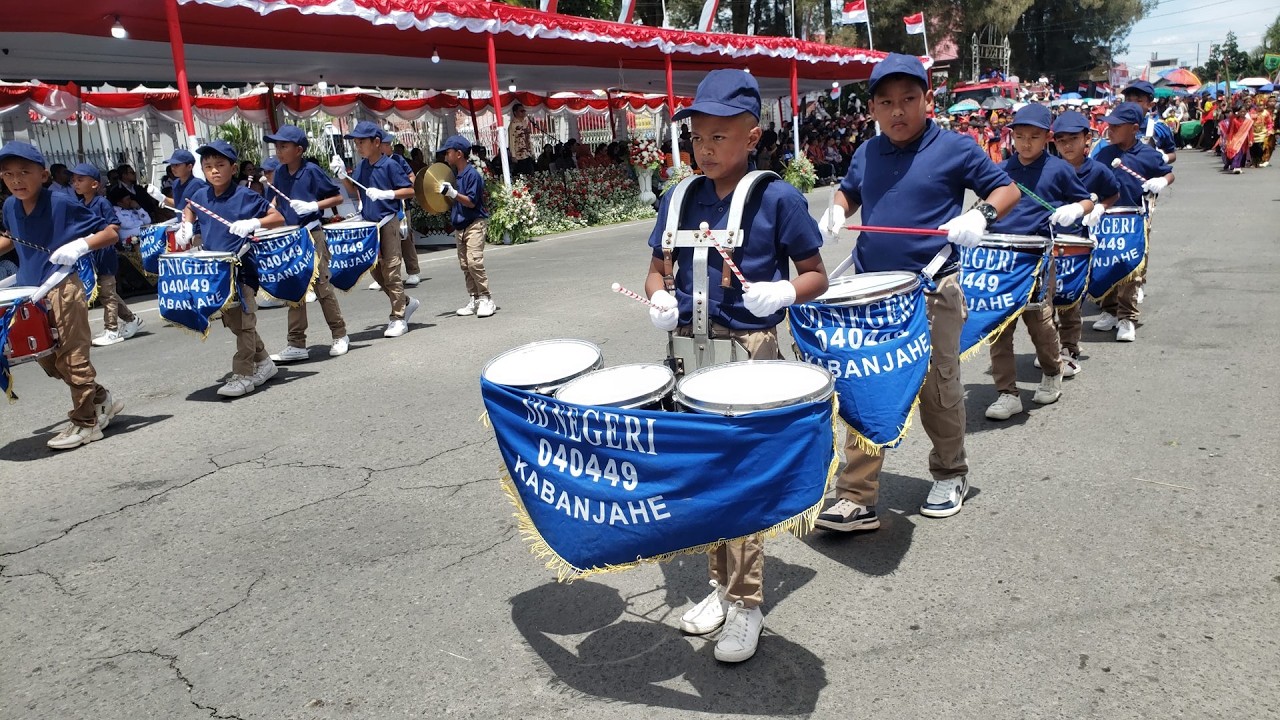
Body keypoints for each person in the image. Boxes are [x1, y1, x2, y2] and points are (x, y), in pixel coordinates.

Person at [642, 69, 829, 664]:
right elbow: (656, 268)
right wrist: (658, 298)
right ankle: (720, 587)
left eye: (719, 136)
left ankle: (746, 603)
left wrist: (785, 292)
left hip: (749, 352)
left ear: (752, 136)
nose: (705, 148)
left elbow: (816, 275)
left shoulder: (779, 198)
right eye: (697, 136)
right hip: (691, 353)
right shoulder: (679, 197)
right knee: (704, 481)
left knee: (741, 483)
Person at [815, 53, 1019, 529]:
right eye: (886, 102)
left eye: (908, 99)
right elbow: (850, 190)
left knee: (937, 386)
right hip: (871, 293)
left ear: (927, 100)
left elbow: (1006, 190)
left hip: (931, 288)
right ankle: (856, 496)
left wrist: (980, 216)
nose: (898, 111)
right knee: (866, 386)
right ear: (873, 108)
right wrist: (837, 208)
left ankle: (951, 473)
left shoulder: (956, 148)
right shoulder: (868, 152)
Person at [0, 141, 125, 449]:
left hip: (62, 288)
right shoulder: (10, 206)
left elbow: (111, 232)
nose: (16, 180)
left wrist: (81, 245)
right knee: (49, 361)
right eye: (8, 174)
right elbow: (12, 238)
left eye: (24, 172)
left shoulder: (61, 202)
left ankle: (86, 423)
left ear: (43, 175)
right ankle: (101, 399)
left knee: (73, 357)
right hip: (29, 293)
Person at [981, 105, 1094, 421]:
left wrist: (1076, 210)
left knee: (1039, 322)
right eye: (1019, 136)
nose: (1026, 143)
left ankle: (1052, 371)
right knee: (999, 326)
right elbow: (987, 203)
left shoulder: (1059, 169)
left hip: (1037, 257)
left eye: (1034, 136)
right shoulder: (1001, 169)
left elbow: (1086, 200)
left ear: (1047, 138)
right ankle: (1007, 392)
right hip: (1000, 257)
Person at [177, 140, 287, 397]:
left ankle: (244, 374)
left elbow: (278, 217)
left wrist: (253, 223)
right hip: (216, 270)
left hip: (242, 267)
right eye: (208, 166)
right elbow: (190, 207)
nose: (214, 171)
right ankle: (264, 363)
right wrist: (186, 226)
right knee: (235, 322)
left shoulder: (245, 195)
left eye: (220, 165)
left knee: (244, 321)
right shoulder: (201, 195)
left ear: (233, 168)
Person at [262, 125, 350, 363]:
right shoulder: (279, 173)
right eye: (277, 146)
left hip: (312, 233)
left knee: (322, 286)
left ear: (299, 150)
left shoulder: (311, 171)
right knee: (294, 288)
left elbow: (337, 197)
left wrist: (313, 206)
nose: (279, 151)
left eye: (284, 146)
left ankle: (339, 334)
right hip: (292, 237)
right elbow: (276, 201)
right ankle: (296, 343)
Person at [1092, 102, 1174, 343]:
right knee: (1105, 265)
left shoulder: (1148, 154)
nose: (1110, 130)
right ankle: (1109, 311)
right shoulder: (1104, 153)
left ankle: (1127, 317)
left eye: (1117, 126)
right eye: (1110, 125)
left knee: (1130, 267)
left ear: (1134, 128)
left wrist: (1162, 181)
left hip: (1134, 217)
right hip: (1107, 217)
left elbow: (1168, 172)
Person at [329, 121, 420, 338]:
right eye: (356, 142)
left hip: (388, 222)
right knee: (376, 272)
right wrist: (342, 175)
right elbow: (354, 190)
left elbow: (410, 190)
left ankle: (398, 317)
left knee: (391, 270)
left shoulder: (390, 165)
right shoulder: (362, 166)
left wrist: (387, 194)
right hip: (370, 225)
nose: (358, 146)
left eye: (362, 142)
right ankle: (405, 302)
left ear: (376, 142)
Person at [1048, 110, 1120, 370]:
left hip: (1078, 242)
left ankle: (1069, 347)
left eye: (1073, 139)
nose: (1067, 146)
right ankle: (1049, 347)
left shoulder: (1098, 170)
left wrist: (1099, 208)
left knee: (1071, 298)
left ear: (1087, 138)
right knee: (1046, 301)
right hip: (1050, 240)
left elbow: (1113, 193)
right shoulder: (1048, 168)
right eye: (1061, 140)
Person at [69, 163, 143, 347]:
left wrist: (98, 236)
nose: (76, 183)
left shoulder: (102, 203)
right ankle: (131, 319)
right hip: (90, 254)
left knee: (107, 293)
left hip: (105, 252)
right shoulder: (80, 205)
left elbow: (114, 225)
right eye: (74, 180)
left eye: (80, 180)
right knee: (106, 292)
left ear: (94, 184)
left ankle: (112, 329)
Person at [436, 135, 495, 318]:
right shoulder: (454, 176)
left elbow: (471, 202)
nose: (446, 156)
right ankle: (474, 298)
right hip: (460, 226)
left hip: (474, 224)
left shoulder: (472, 175)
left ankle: (486, 298)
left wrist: (453, 193)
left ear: (459, 154)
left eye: (448, 152)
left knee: (474, 262)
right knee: (465, 265)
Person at [1122, 81, 1177, 164]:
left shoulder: (1159, 127)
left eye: (1138, 100)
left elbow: (1172, 153)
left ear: (1150, 105)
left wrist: (1163, 158)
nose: (1132, 104)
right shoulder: (1117, 125)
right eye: (1128, 100)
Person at [508, 104, 536, 176]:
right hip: (519, 155)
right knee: (521, 174)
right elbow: (511, 140)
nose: (524, 112)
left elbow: (528, 138)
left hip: (528, 153)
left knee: (531, 173)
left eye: (524, 111)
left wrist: (532, 151)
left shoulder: (525, 122)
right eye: (521, 111)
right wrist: (513, 156)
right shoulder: (513, 124)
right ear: (515, 112)